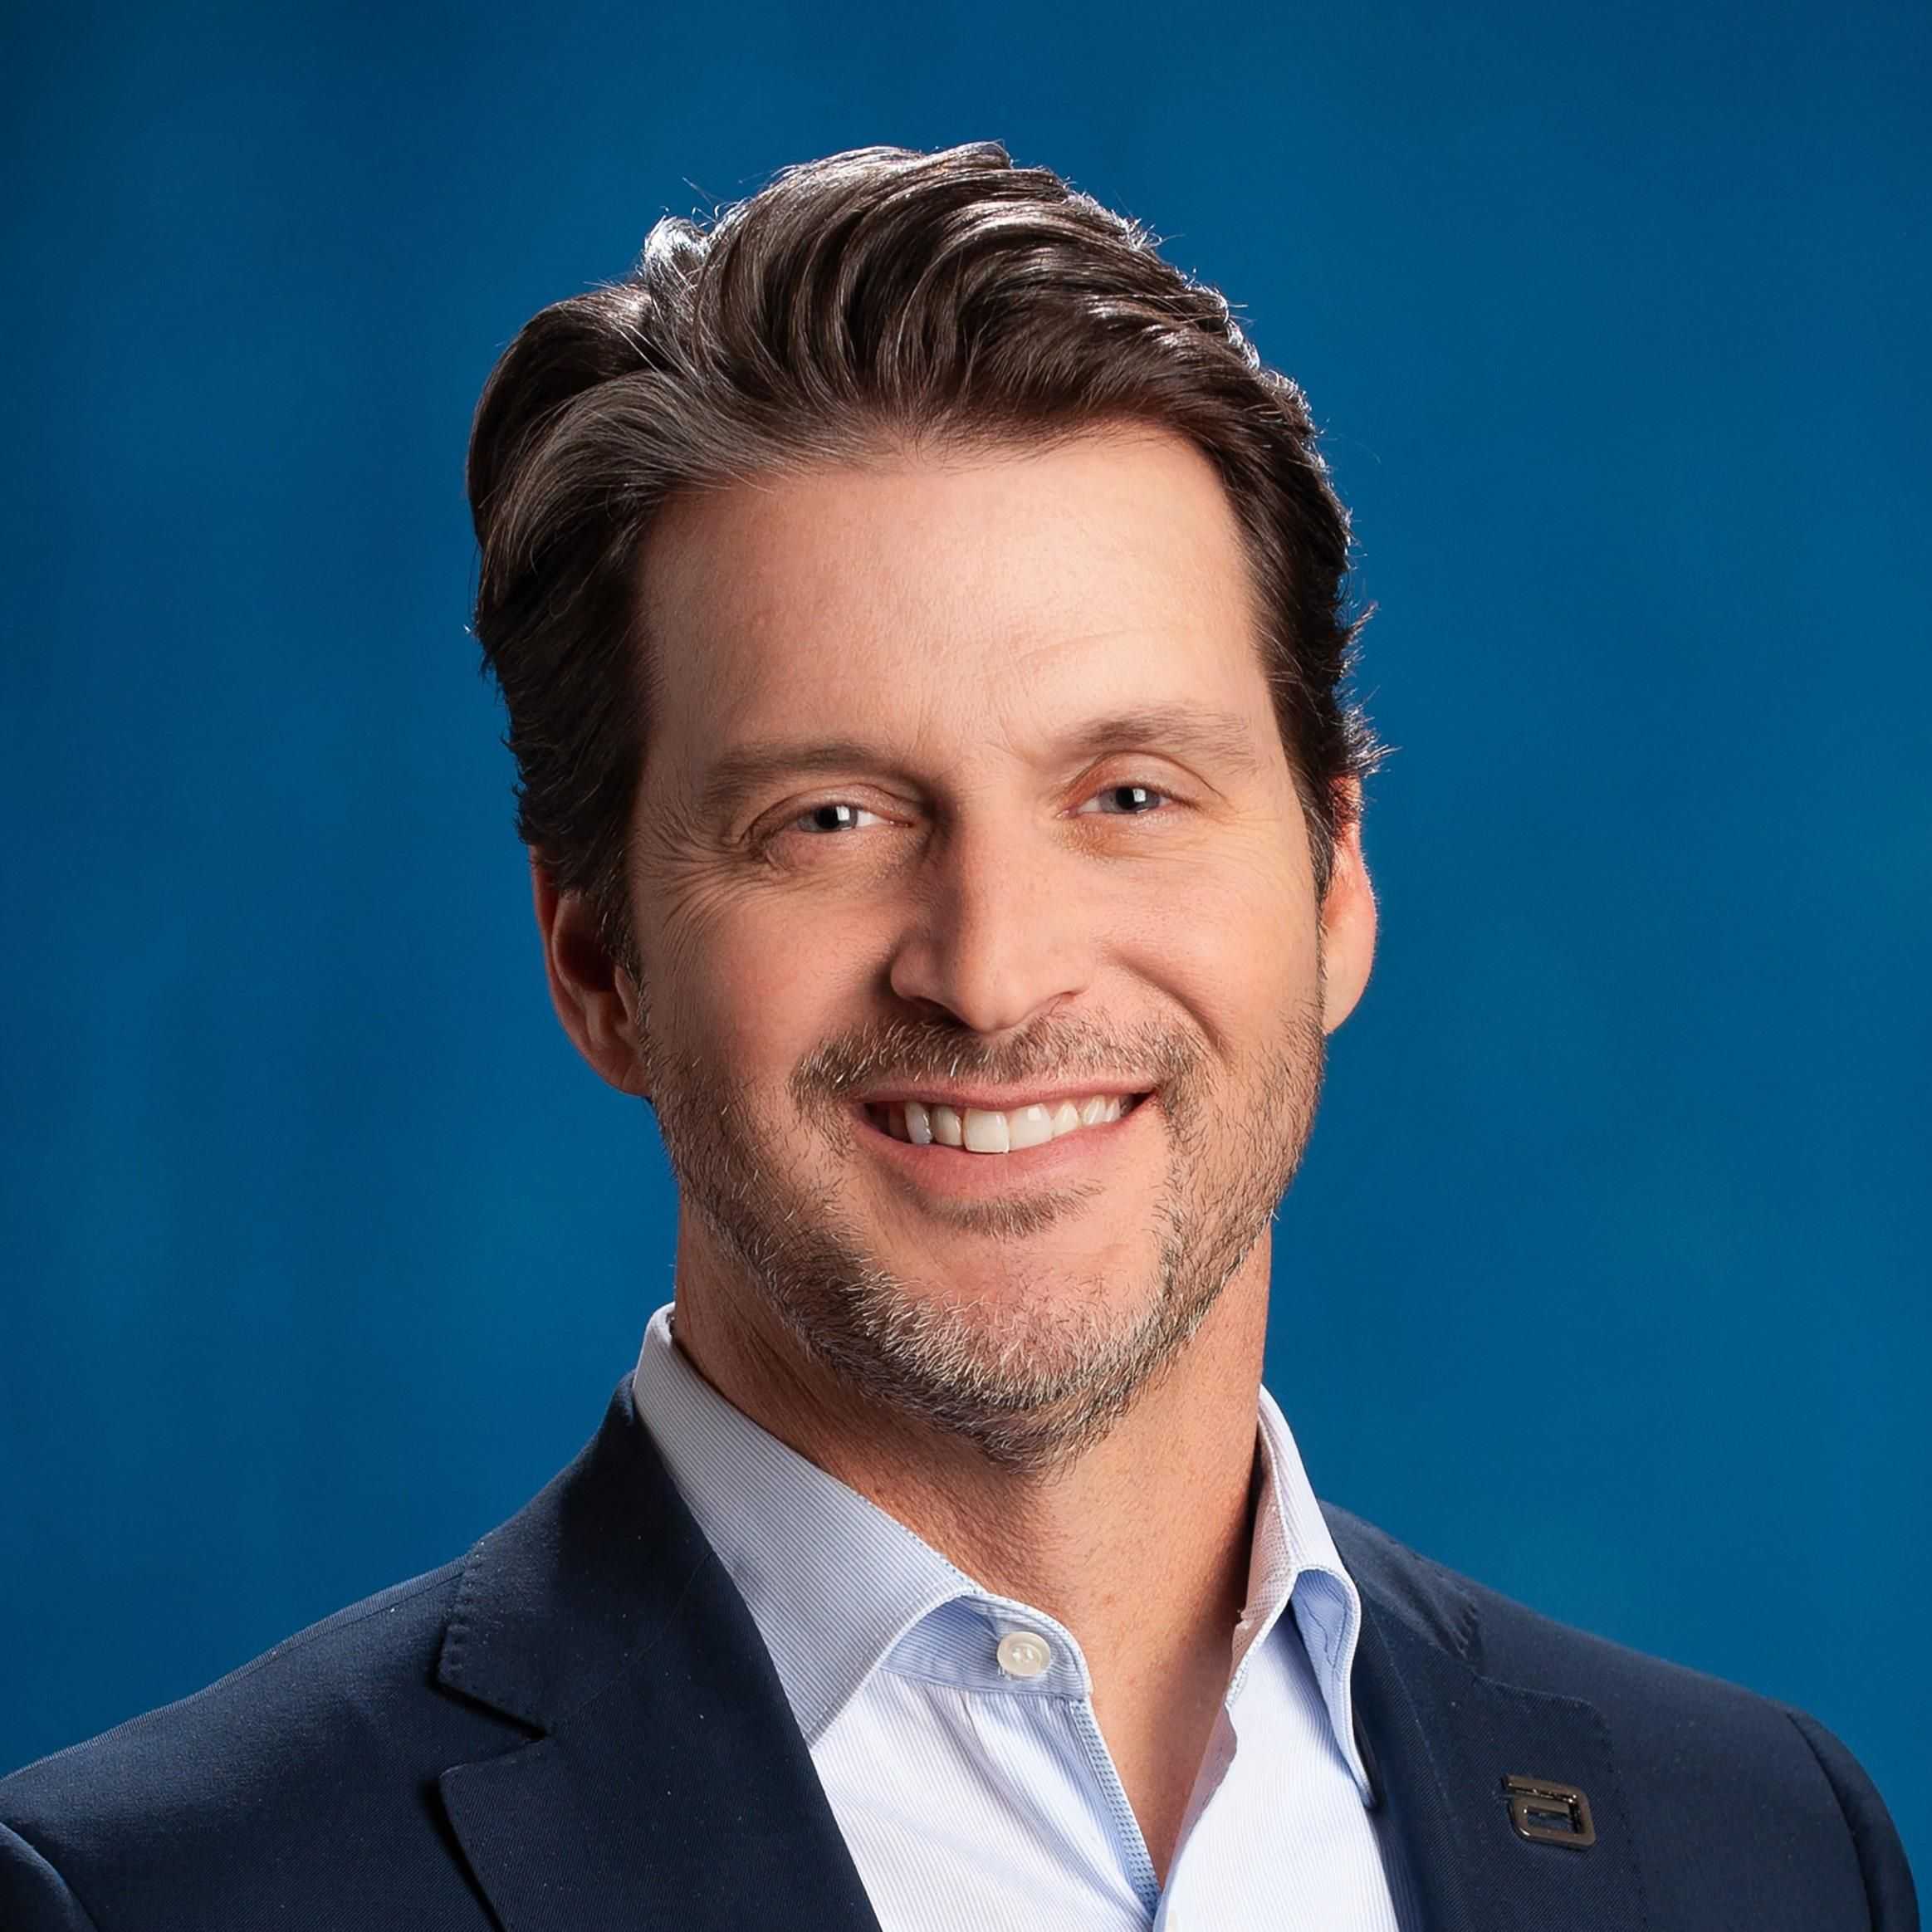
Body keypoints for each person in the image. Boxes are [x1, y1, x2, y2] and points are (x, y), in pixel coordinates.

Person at [0, 139, 1915, 1932]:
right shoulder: (158, 1897)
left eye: (1131, 795)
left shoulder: (1762, 1851)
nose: (993, 974)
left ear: (1336, 887)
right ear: (597, 960)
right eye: (830, 819)